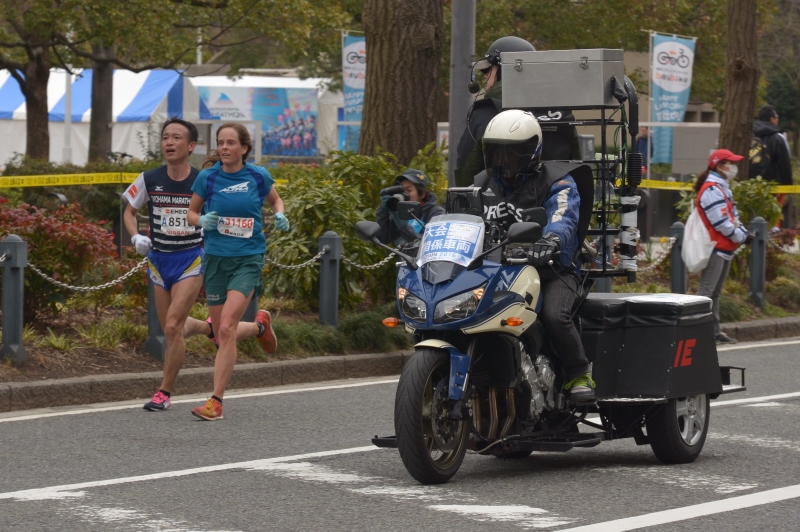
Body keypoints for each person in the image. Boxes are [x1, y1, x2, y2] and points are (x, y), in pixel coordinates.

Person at [123, 117, 277, 413]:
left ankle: (164, 392)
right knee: (176, 327)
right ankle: (256, 327)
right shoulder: (149, 178)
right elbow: (129, 211)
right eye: (165, 137)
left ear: (191, 146)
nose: (169, 142)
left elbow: (230, 208)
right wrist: (135, 237)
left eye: (176, 137)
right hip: (158, 261)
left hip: (191, 258)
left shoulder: (204, 179)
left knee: (171, 327)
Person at [479, 109, 596, 402]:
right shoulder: (481, 183)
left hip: (554, 268)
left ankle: (578, 374)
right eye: (495, 153)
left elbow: (564, 216)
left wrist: (552, 239)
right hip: (498, 267)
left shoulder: (558, 182)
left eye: (511, 153)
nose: (502, 161)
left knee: (555, 316)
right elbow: (459, 217)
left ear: (532, 152)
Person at [187, 122, 289, 420]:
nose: (224, 148)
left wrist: (280, 215)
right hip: (216, 260)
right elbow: (192, 212)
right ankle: (259, 327)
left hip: (247, 258)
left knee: (228, 327)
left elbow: (276, 200)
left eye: (231, 143)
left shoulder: (257, 176)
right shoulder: (208, 178)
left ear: (244, 148)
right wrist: (201, 221)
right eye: (221, 142)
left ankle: (215, 401)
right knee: (221, 334)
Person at [454, 36, 578, 187]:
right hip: (554, 203)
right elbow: (576, 165)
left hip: (499, 207)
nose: (485, 75)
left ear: (506, 70)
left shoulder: (486, 113)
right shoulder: (561, 113)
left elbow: (467, 170)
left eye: (489, 69)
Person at [694, 149, 755, 345]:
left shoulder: (721, 188)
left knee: (714, 293)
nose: (734, 167)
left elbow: (732, 217)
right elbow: (721, 222)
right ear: (720, 166)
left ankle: (713, 332)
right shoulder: (712, 190)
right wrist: (741, 237)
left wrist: (744, 234)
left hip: (724, 247)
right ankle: (695, 333)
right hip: (716, 247)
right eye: (731, 163)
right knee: (706, 293)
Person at [376, 168, 445, 246]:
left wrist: (401, 224)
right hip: (402, 258)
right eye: (401, 190)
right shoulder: (398, 210)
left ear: (422, 194)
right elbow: (382, 238)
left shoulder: (436, 213)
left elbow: (426, 244)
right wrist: (384, 209)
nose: (404, 194)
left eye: (408, 190)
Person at [753, 104, 793, 228]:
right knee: (775, 213)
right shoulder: (778, 137)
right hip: (775, 184)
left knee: (756, 212)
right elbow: (785, 163)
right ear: (771, 119)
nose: (778, 119)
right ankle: (773, 239)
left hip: (752, 183)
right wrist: (788, 186)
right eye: (777, 117)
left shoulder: (750, 134)